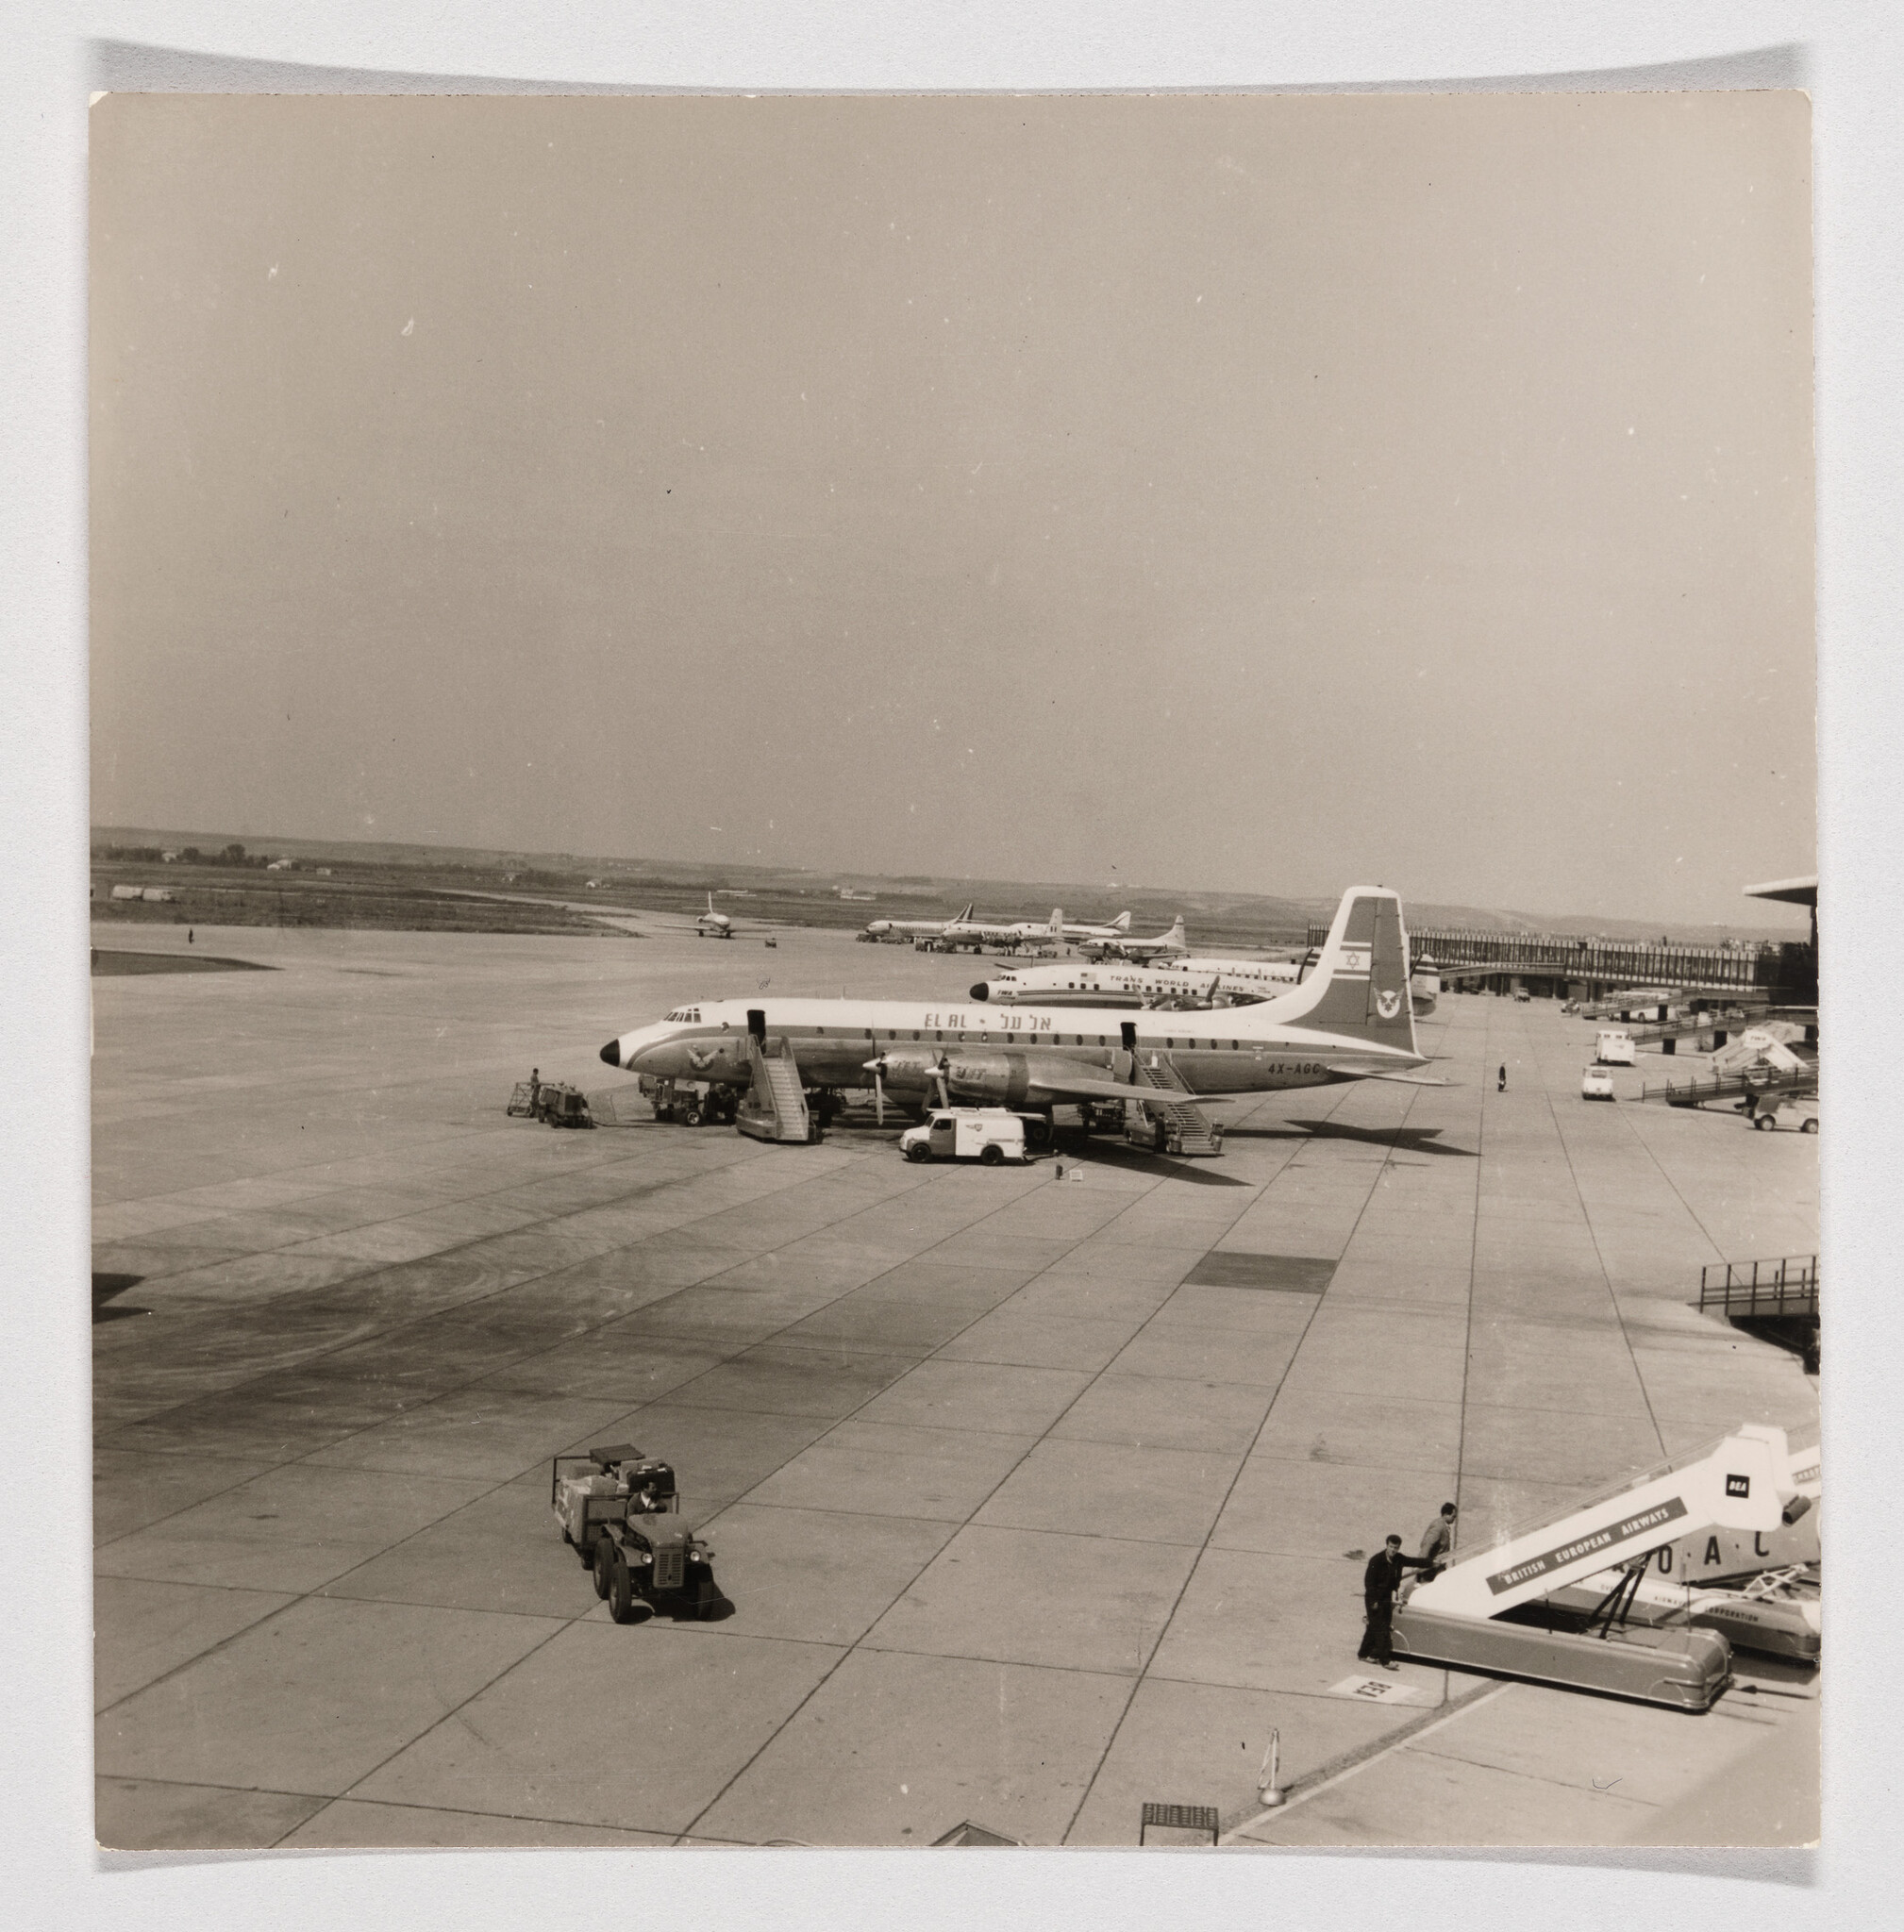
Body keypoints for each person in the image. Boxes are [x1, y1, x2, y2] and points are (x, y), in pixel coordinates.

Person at [1359, 1535, 1432, 1670]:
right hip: (1374, 1598)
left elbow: (1414, 1561)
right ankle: (1385, 1661)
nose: (1393, 1550)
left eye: (1396, 1548)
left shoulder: (1398, 1559)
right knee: (1381, 1629)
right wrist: (1374, 1602)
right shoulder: (1376, 1560)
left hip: (1386, 1596)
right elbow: (1369, 1583)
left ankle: (1363, 1654)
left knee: (1375, 1626)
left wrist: (1431, 1563)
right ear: (1387, 1545)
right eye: (1391, 1547)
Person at [1400, 1503, 1458, 1607]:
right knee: (1422, 1589)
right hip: (1430, 1568)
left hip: (1437, 1567)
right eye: (1453, 1516)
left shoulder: (1444, 1526)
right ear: (1446, 1514)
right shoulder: (1439, 1526)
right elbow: (1427, 1544)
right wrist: (1421, 1563)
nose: (1454, 1519)